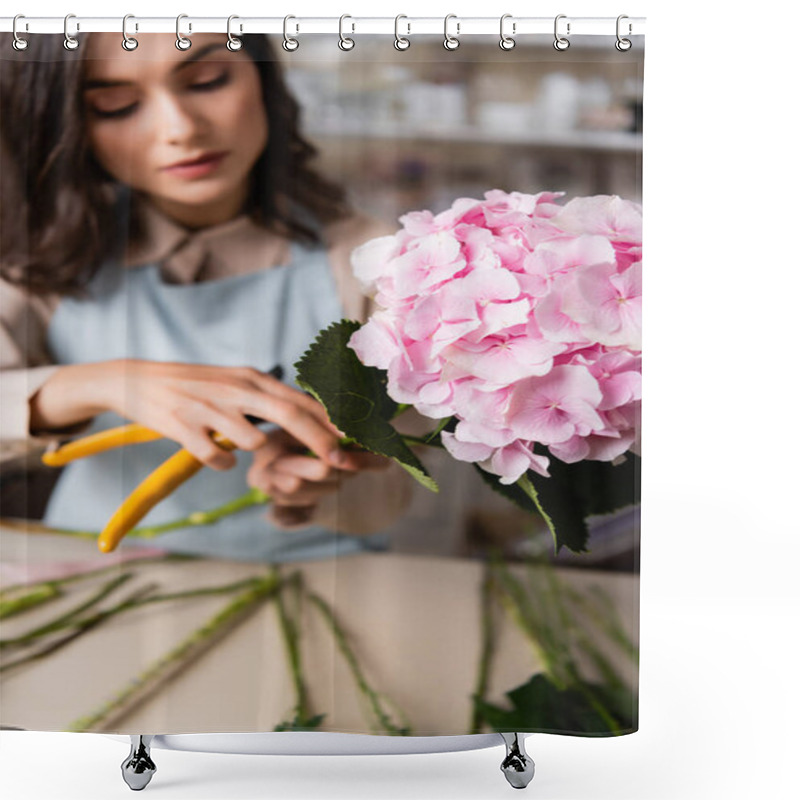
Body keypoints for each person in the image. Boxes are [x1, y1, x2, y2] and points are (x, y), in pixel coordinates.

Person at [0, 31, 419, 562]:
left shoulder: (373, 260)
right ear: (70, 126)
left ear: (263, 76)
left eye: (207, 81)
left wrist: (328, 482)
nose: (180, 130)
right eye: (116, 105)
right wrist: (90, 385)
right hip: (92, 566)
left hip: (312, 573)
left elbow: (402, 486)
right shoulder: (43, 252)